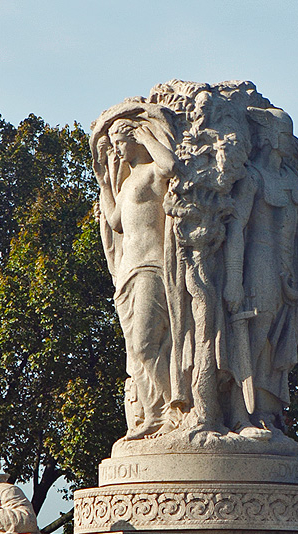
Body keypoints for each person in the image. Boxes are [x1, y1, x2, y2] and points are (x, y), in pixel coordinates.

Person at [224, 107, 298, 438]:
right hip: (257, 266)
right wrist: (233, 279)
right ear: (273, 138)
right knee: (254, 338)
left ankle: (266, 410)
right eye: (284, 135)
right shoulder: (253, 178)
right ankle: (240, 412)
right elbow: (236, 231)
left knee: (275, 344)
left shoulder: (289, 180)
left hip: (285, 272)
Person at [94, 118, 177, 439]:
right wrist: (104, 182)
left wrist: (147, 134)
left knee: (146, 345)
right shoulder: (127, 182)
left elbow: (172, 166)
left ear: (136, 138)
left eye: (120, 142)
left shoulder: (155, 171)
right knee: (136, 350)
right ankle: (152, 417)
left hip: (151, 267)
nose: (116, 149)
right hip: (128, 271)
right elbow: (115, 221)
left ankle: (175, 409)